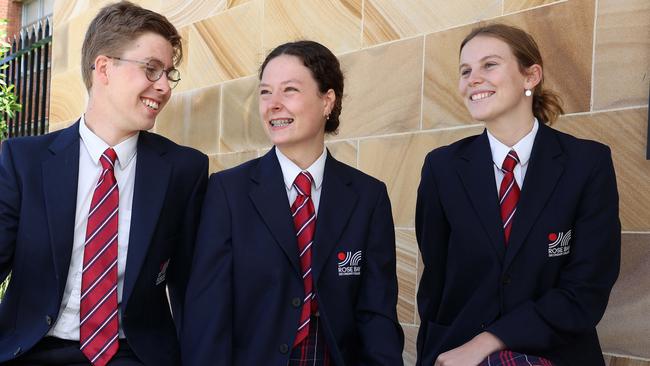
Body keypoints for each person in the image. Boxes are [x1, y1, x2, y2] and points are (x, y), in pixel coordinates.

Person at [0, 2, 207, 365]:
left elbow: (192, 288)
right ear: (104, 68)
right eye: (151, 70)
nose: (163, 87)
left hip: (134, 354)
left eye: (168, 74)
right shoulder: (23, 161)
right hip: (34, 349)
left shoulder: (183, 170)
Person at [181, 40, 404, 365]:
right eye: (265, 92)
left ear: (327, 101)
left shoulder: (368, 197)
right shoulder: (228, 192)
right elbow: (208, 314)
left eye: (289, 90)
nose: (273, 104)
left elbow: (377, 315)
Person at [415, 23, 620, 366]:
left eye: (489, 65)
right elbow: (435, 282)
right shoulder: (442, 168)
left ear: (531, 76)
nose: (473, 79)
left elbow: (587, 288)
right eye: (465, 71)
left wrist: (490, 341)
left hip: (555, 353)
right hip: (459, 354)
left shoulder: (588, 163)